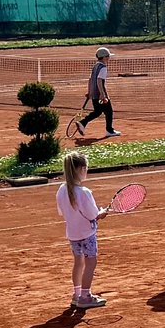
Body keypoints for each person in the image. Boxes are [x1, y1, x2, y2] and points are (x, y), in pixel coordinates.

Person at [55, 150, 107, 309]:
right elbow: (93, 215)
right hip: (87, 234)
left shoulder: (61, 190)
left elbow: (62, 212)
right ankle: (85, 296)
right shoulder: (84, 192)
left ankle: (77, 294)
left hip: (73, 234)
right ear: (81, 169)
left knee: (78, 262)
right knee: (91, 263)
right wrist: (101, 213)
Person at [77, 46, 116, 139]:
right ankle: (109, 131)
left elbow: (90, 79)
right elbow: (99, 80)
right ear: (104, 57)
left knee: (98, 112)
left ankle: (82, 123)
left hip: (94, 94)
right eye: (108, 56)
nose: (109, 58)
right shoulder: (103, 68)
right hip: (100, 94)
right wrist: (102, 95)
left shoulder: (95, 66)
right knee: (109, 111)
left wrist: (89, 92)